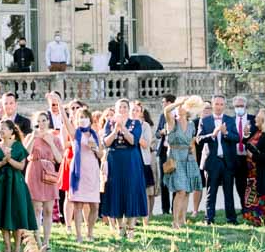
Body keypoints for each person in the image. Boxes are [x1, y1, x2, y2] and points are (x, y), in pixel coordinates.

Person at [0, 117, 38, 252]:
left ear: (11, 131)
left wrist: (10, 160)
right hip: (1, 183)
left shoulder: (18, 146)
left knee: (17, 214)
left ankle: (17, 248)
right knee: (3, 214)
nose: (1, 130)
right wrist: (3, 162)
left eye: (4, 128)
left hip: (16, 183)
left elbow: (21, 165)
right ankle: (7, 247)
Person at [99, 100, 150, 236]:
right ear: (115, 109)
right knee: (116, 190)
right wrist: (115, 130)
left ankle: (131, 228)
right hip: (115, 159)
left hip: (131, 160)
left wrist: (123, 128)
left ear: (128, 109)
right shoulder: (109, 124)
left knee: (131, 190)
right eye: (119, 107)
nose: (122, 109)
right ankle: (120, 226)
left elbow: (133, 141)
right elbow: (105, 142)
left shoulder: (136, 123)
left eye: (124, 107)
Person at [195, 97, 240, 225]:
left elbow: (237, 138)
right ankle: (209, 219)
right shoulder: (205, 120)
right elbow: (199, 139)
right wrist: (212, 135)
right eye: (216, 104)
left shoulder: (230, 120)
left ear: (224, 106)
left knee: (228, 191)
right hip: (212, 161)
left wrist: (226, 133)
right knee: (211, 191)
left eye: (221, 104)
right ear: (212, 105)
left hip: (227, 161)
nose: (219, 106)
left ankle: (231, 219)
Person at [66, 104, 105, 240]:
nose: (82, 119)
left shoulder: (94, 134)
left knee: (94, 205)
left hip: (92, 171)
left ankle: (90, 232)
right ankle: (78, 235)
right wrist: (59, 104)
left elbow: (101, 154)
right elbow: (65, 122)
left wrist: (94, 148)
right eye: (80, 117)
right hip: (79, 171)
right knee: (78, 205)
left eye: (84, 117)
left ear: (89, 118)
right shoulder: (75, 134)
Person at [26, 110, 65, 246]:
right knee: (36, 208)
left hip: (49, 172)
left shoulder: (54, 138)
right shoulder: (31, 136)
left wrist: (51, 143)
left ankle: (46, 241)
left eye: (44, 120)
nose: (41, 124)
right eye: (38, 121)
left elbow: (60, 159)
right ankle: (37, 238)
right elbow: (25, 154)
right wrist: (33, 138)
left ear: (48, 121)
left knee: (48, 209)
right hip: (34, 170)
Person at [161, 98, 202, 227]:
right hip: (175, 158)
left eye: (182, 106)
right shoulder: (172, 122)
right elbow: (166, 110)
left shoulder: (191, 125)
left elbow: (192, 145)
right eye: (178, 106)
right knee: (181, 191)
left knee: (187, 191)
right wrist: (179, 102)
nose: (179, 108)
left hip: (188, 159)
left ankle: (182, 220)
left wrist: (195, 163)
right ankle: (175, 222)